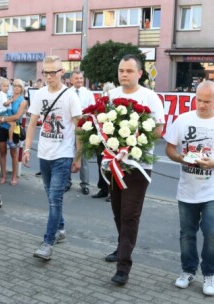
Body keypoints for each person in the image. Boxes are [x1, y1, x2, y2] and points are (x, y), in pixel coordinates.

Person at [164, 80, 214, 296]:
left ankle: (209, 274)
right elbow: (169, 148)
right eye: (198, 100)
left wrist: (212, 164)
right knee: (187, 234)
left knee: (212, 232)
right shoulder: (183, 120)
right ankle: (188, 270)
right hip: (187, 189)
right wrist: (181, 159)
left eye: (207, 101)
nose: (202, 105)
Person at [104, 54, 165, 285]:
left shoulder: (150, 97)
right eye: (121, 70)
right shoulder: (111, 96)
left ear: (140, 73)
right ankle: (122, 248)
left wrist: (133, 141)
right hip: (113, 164)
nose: (124, 75)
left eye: (129, 71)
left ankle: (123, 267)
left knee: (130, 215)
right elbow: (101, 126)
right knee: (117, 210)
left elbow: (159, 129)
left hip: (138, 165)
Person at [22, 56, 81, 260]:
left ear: (61, 72)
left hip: (63, 155)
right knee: (50, 196)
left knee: (55, 199)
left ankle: (48, 243)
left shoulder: (71, 96)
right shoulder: (39, 94)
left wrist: (78, 157)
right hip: (44, 154)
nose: (48, 76)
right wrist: (27, 148)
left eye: (52, 72)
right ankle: (61, 228)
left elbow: (79, 128)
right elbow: (31, 124)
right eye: (45, 72)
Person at [67, 70, 95, 195]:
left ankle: (85, 184)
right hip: (69, 129)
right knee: (67, 156)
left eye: (81, 78)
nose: (79, 80)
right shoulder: (67, 93)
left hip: (84, 129)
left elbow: (93, 110)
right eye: (76, 78)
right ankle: (67, 182)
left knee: (84, 157)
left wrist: (83, 117)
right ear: (71, 80)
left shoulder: (88, 93)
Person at [0, 79, 28, 186]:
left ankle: (14, 176)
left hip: (14, 128)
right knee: (2, 151)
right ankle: (4, 175)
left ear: (22, 88)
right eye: (14, 85)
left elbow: (17, 116)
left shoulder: (22, 101)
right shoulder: (6, 95)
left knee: (14, 153)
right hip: (2, 127)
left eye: (19, 86)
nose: (16, 88)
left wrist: (4, 119)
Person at [92, 82, 116, 201]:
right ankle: (103, 189)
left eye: (110, 92)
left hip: (113, 141)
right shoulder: (100, 104)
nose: (108, 95)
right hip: (101, 140)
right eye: (106, 92)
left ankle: (113, 191)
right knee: (101, 164)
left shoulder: (116, 105)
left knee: (112, 167)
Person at [0, 78, 17, 149]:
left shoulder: (5, 94)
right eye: (4, 86)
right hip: (2, 112)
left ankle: (10, 139)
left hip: (4, 112)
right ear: (0, 87)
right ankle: (10, 140)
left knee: (12, 124)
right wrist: (11, 100)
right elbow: (5, 104)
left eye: (7, 86)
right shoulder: (1, 94)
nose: (6, 88)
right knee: (13, 124)